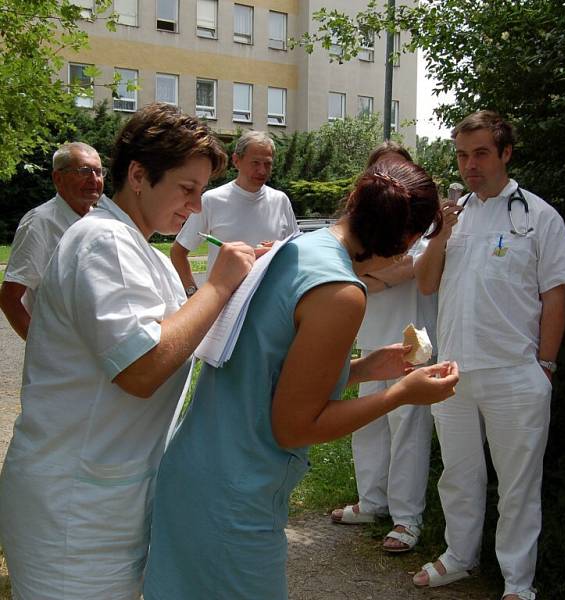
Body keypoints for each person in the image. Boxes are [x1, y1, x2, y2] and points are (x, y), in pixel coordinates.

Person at [143, 160, 459, 600]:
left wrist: (367, 368)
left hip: (196, 470)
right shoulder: (342, 292)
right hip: (236, 493)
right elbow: (293, 425)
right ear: (407, 238)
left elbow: (271, 375)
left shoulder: (296, 248)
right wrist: (401, 394)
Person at [0, 103, 262, 600]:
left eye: (202, 192)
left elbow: (187, 335)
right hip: (73, 516)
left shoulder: (143, 251)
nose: (196, 207)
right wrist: (220, 285)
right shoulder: (105, 243)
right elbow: (143, 368)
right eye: (187, 189)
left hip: (106, 502)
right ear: (138, 175)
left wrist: (252, 280)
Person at [412, 111, 565, 600]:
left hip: (516, 372)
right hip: (452, 371)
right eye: (462, 155)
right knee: (459, 474)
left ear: (506, 153)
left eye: (481, 153)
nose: (470, 165)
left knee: (518, 487)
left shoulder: (537, 215)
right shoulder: (451, 216)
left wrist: (545, 366)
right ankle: (459, 557)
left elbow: (555, 296)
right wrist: (442, 232)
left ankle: (517, 582)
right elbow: (425, 283)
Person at [330, 141, 437, 553]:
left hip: (414, 338)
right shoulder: (370, 221)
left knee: (407, 426)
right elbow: (371, 271)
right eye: (382, 170)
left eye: (398, 169)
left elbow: (408, 268)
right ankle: (372, 501)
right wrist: (379, 276)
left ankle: (407, 519)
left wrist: (373, 276)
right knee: (367, 422)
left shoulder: (424, 221)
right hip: (373, 334)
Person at [170, 130, 298, 297]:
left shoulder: (280, 200)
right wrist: (192, 294)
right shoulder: (212, 200)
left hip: (271, 303)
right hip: (224, 308)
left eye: (267, 164)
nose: (262, 170)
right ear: (237, 161)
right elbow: (178, 252)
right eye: (256, 163)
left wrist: (278, 248)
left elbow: (296, 251)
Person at [0, 142, 106, 340]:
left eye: (98, 172)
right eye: (84, 171)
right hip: (62, 359)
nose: (94, 179)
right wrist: (41, 348)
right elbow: (9, 298)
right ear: (58, 178)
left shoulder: (101, 221)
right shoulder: (40, 223)